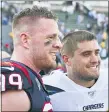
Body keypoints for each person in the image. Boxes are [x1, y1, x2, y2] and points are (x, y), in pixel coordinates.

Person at [1, 5, 62, 111]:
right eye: (50, 37)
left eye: (57, 38)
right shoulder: (15, 78)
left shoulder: (29, 76)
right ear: (25, 40)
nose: (59, 44)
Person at [43, 30, 108, 111]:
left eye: (97, 53)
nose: (95, 60)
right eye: (86, 54)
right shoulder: (48, 88)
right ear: (67, 60)